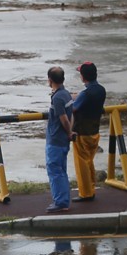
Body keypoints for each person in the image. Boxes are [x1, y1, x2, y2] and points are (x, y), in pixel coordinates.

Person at [72, 62, 106, 202]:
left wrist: (72, 98)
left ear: (83, 76)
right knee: (89, 161)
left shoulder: (85, 94)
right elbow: (86, 100)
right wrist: (78, 96)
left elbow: (74, 109)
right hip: (94, 131)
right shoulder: (101, 90)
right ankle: (91, 188)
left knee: (82, 165)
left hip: (82, 133)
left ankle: (86, 193)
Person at [45, 66, 74, 214]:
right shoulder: (66, 94)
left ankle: (61, 202)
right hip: (62, 140)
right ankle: (63, 200)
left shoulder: (57, 98)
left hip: (56, 139)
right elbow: (71, 116)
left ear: (50, 80)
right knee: (61, 171)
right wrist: (70, 133)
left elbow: (63, 118)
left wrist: (69, 132)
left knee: (55, 170)